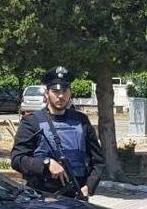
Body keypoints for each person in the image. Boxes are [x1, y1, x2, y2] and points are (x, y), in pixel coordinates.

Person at [10, 66, 105, 199]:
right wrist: (46, 163)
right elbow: (17, 160)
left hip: (76, 197)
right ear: (47, 94)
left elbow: (98, 161)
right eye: (55, 91)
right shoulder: (31, 122)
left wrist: (89, 187)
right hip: (42, 196)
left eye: (65, 91)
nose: (60, 96)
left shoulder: (81, 121)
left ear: (70, 92)